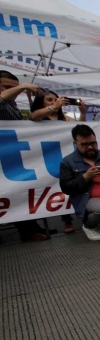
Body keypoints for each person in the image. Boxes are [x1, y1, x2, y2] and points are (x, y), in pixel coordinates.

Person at [0, 70, 51, 241]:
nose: (14, 92)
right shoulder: (4, 101)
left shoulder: (12, 105)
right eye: (7, 87)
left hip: (13, 158)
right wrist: (23, 86)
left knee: (20, 192)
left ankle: (30, 229)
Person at [30, 90, 87, 234]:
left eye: (56, 100)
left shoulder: (65, 119)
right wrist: (54, 107)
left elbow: (80, 129)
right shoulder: (39, 118)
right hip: (47, 158)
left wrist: (83, 113)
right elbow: (33, 116)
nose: (54, 102)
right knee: (56, 188)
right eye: (49, 100)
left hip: (68, 158)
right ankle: (66, 221)